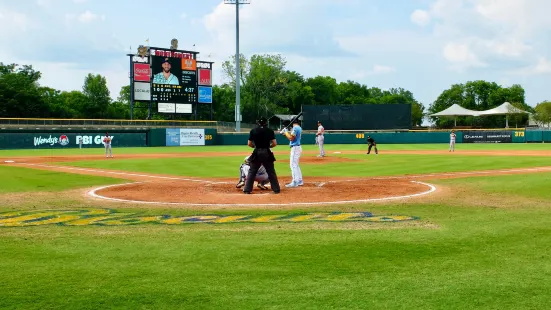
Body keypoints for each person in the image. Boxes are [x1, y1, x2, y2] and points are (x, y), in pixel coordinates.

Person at [242, 117, 281, 194]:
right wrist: (268, 147)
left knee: (252, 171)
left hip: (257, 152)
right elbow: (274, 143)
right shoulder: (270, 131)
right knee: (271, 171)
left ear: (258, 123)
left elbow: (249, 144)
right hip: (267, 152)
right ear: (266, 123)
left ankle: (247, 189)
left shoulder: (253, 131)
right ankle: (276, 189)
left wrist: (255, 147)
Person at [280, 119, 303, 187]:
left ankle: (295, 181)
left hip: (295, 148)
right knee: (296, 165)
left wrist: (286, 131)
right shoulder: (299, 127)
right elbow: (292, 137)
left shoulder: (295, 128)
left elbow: (291, 138)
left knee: (293, 165)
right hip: (297, 147)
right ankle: (299, 180)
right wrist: (285, 133)